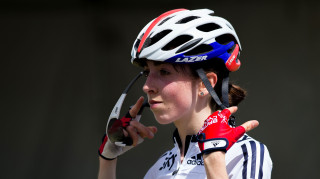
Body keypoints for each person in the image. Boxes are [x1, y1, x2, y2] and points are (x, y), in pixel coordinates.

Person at [98, 8, 273, 179]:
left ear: (206, 83)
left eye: (164, 72)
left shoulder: (244, 153)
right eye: (147, 72)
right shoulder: (160, 167)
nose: (147, 86)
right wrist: (108, 160)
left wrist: (213, 156)